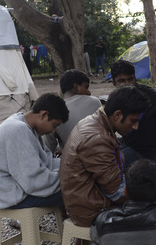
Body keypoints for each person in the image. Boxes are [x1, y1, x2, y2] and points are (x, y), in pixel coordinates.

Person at [60, 86, 150, 226]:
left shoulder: (95, 120)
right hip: (91, 210)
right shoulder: (98, 138)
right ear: (117, 115)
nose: (136, 127)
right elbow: (116, 192)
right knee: (155, 214)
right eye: (133, 121)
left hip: (87, 199)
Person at [0, 93, 69, 210]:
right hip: (13, 198)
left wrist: (70, 164)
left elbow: (47, 162)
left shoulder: (26, 125)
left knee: (78, 183)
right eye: (54, 125)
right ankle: (86, 224)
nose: (53, 131)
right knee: (79, 190)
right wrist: (69, 175)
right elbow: (34, 182)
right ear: (44, 115)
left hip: (19, 189)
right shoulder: (18, 130)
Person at [109, 59, 156, 166]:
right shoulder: (117, 97)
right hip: (126, 143)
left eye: (130, 79)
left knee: (110, 163)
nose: (127, 84)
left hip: (144, 152)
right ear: (113, 82)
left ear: (135, 78)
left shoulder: (148, 95)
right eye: (121, 81)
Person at [43, 69, 101, 156]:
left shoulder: (53, 111)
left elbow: (48, 149)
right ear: (76, 87)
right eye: (86, 87)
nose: (89, 92)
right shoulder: (95, 102)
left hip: (73, 162)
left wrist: (63, 146)